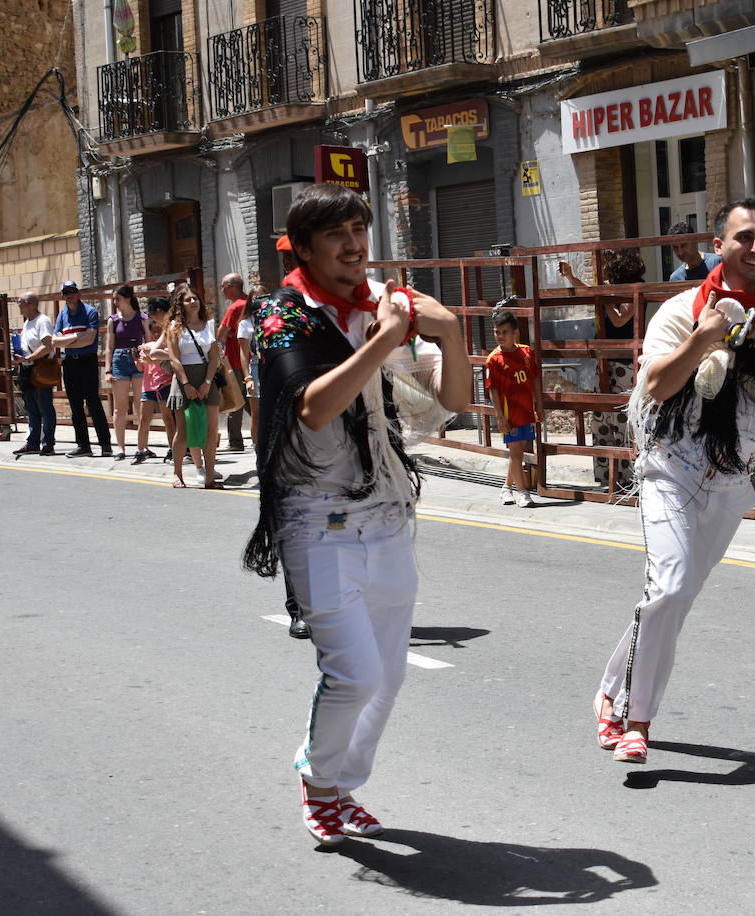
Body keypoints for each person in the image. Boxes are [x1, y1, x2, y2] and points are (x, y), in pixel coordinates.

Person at [241, 183, 469, 846]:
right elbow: (315, 406)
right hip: (315, 518)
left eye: (358, 231)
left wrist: (451, 333)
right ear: (303, 249)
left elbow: (454, 399)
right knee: (355, 674)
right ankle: (318, 782)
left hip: (387, 512)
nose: (353, 245)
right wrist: (389, 335)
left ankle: (342, 785)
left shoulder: (382, 302)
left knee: (388, 676)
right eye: (336, 235)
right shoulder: (282, 314)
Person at [593, 197, 755, 765]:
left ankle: (611, 691)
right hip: (671, 470)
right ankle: (636, 720)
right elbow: (656, 387)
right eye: (744, 237)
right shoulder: (681, 310)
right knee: (668, 588)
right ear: (719, 245)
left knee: (674, 599)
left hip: (731, 483)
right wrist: (705, 336)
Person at [558, 249, 642, 489]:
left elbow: (619, 319)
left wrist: (603, 297)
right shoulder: (609, 289)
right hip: (604, 361)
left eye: (606, 264)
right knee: (602, 417)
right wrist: (572, 278)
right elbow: (588, 292)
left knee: (624, 419)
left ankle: (629, 477)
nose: (603, 269)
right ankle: (607, 476)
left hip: (625, 363)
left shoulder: (635, 287)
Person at [163, 281, 226, 489]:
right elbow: (174, 359)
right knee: (183, 431)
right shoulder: (174, 327)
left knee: (211, 429)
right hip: (184, 380)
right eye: (188, 299)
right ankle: (177, 474)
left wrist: (207, 383)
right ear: (180, 304)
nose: (193, 302)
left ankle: (209, 478)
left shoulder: (209, 324)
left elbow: (214, 356)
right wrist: (187, 384)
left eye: (195, 298)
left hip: (206, 378)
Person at [485, 309, 542, 508]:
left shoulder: (526, 352)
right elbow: (492, 390)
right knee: (516, 452)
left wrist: (539, 404)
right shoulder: (493, 359)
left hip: (526, 410)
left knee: (517, 452)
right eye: (497, 332)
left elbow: (535, 379)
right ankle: (523, 492)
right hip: (509, 414)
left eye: (504, 332)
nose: (500, 336)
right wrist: (499, 416)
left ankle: (506, 487)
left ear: (515, 332)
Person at [52, 280, 112, 458]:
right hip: (69, 362)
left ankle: (105, 445)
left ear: (78, 293)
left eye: (72, 291)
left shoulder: (90, 312)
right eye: (66, 293)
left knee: (93, 402)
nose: (69, 295)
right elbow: (54, 341)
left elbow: (89, 339)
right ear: (62, 296)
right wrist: (77, 337)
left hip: (87, 361)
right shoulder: (62, 315)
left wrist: (67, 339)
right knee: (75, 405)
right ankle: (83, 445)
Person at [10, 292, 56, 456]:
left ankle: (48, 443)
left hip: (39, 369)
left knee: (44, 406)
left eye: (20, 302)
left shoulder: (42, 321)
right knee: (31, 407)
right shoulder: (28, 322)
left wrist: (28, 357)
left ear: (29, 303)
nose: (18, 305)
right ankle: (33, 442)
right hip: (27, 369)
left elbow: (47, 346)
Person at [103, 284, 146, 461]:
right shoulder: (113, 320)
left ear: (128, 299)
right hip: (119, 360)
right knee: (119, 407)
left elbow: (148, 340)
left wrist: (148, 363)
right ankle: (120, 447)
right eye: (114, 299)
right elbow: (109, 347)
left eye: (117, 298)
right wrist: (108, 369)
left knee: (141, 404)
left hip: (138, 358)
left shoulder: (141, 318)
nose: (115, 302)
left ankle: (142, 446)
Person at [133, 299, 176, 465]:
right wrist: (138, 360)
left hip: (164, 382)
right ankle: (141, 449)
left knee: (168, 418)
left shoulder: (159, 343)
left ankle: (172, 448)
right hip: (149, 385)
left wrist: (150, 357)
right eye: (154, 332)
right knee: (144, 419)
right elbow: (140, 367)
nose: (157, 335)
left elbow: (162, 358)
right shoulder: (147, 346)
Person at [219, 273, 250, 452]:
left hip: (236, 361)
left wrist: (228, 332)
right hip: (250, 360)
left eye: (223, 286)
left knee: (235, 400)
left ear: (231, 286)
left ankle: (235, 442)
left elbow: (220, 334)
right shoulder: (249, 303)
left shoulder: (234, 307)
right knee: (249, 401)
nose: (221, 290)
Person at [235, 285, 267, 452]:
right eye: (255, 298)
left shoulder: (273, 318)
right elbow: (243, 353)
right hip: (256, 364)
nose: (258, 301)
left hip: (272, 363)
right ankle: (258, 449)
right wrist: (247, 377)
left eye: (262, 297)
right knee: (257, 413)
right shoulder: (245, 323)